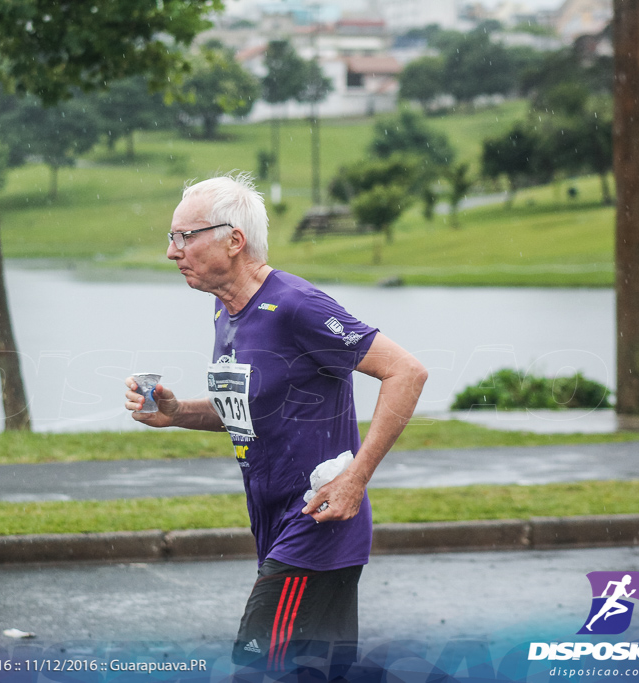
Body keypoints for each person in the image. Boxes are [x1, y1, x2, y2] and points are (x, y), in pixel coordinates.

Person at [124, 173, 428, 673]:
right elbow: (246, 414)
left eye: (185, 236)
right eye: (171, 238)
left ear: (234, 240)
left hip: (315, 526)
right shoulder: (228, 315)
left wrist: (356, 477)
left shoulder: (295, 305)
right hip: (274, 527)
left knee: (256, 667)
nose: (172, 251)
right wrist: (178, 414)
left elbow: (406, 371)